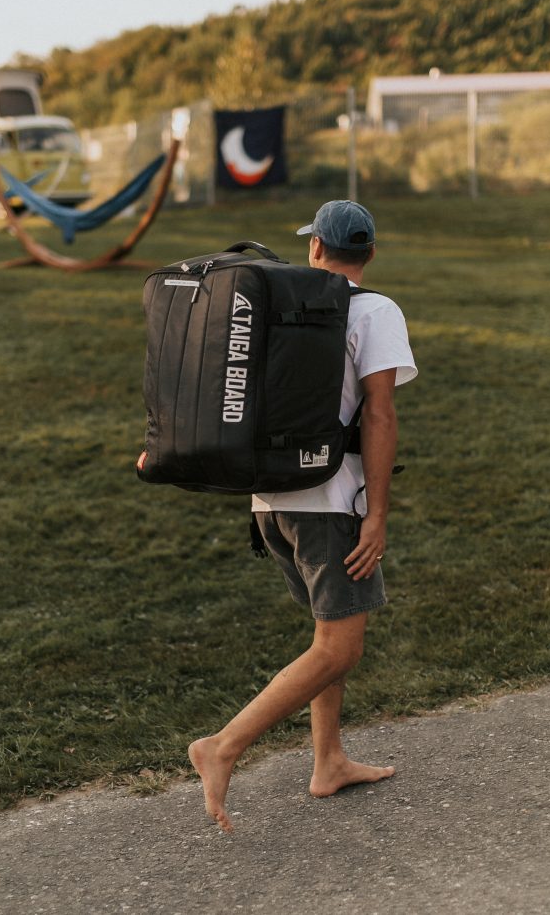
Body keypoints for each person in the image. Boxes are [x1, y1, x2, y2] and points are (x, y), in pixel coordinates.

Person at [189, 199, 417, 833]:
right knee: (339, 648)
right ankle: (223, 746)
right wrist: (375, 510)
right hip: (331, 503)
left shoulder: (274, 307)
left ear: (315, 249)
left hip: (270, 503)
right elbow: (378, 416)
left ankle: (329, 761)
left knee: (326, 634)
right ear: (369, 253)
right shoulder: (376, 311)